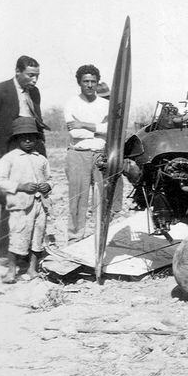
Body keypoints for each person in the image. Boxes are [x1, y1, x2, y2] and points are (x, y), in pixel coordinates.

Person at [0, 55, 48, 277]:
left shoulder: (34, 92)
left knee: (34, 203)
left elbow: (37, 120)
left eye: (37, 75)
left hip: (31, 150)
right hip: (6, 153)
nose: (34, 80)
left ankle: (28, 252)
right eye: (30, 75)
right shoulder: (0, 91)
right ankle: (6, 253)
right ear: (17, 71)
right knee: (11, 201)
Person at [64, 64, 121, 243]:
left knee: (102, 198)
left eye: (93, 81)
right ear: (79, 83)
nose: (89, 85)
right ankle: (75, 239)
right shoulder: (71, 103)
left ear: (98, 83)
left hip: (100, 155)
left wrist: (84, 124)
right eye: (86, 81)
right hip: (78, 154)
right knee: (77, 199)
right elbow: (74, 133)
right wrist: (98, 129)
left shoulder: (106, 105)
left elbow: (111, 130)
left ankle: (100, 240)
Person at [0, 117, 50, 283]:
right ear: (17, 139)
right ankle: (12, 271)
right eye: (23, 137)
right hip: (19, 205)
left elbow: (50, 178)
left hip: (40, 204)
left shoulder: (41, 159)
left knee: (37, 236)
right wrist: (20, 186)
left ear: (36, 139)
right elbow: (0, 181)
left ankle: (32, 269)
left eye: (31, 137)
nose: (28, 140)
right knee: (17, 236)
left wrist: (48, 186)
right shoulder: (10, 158)